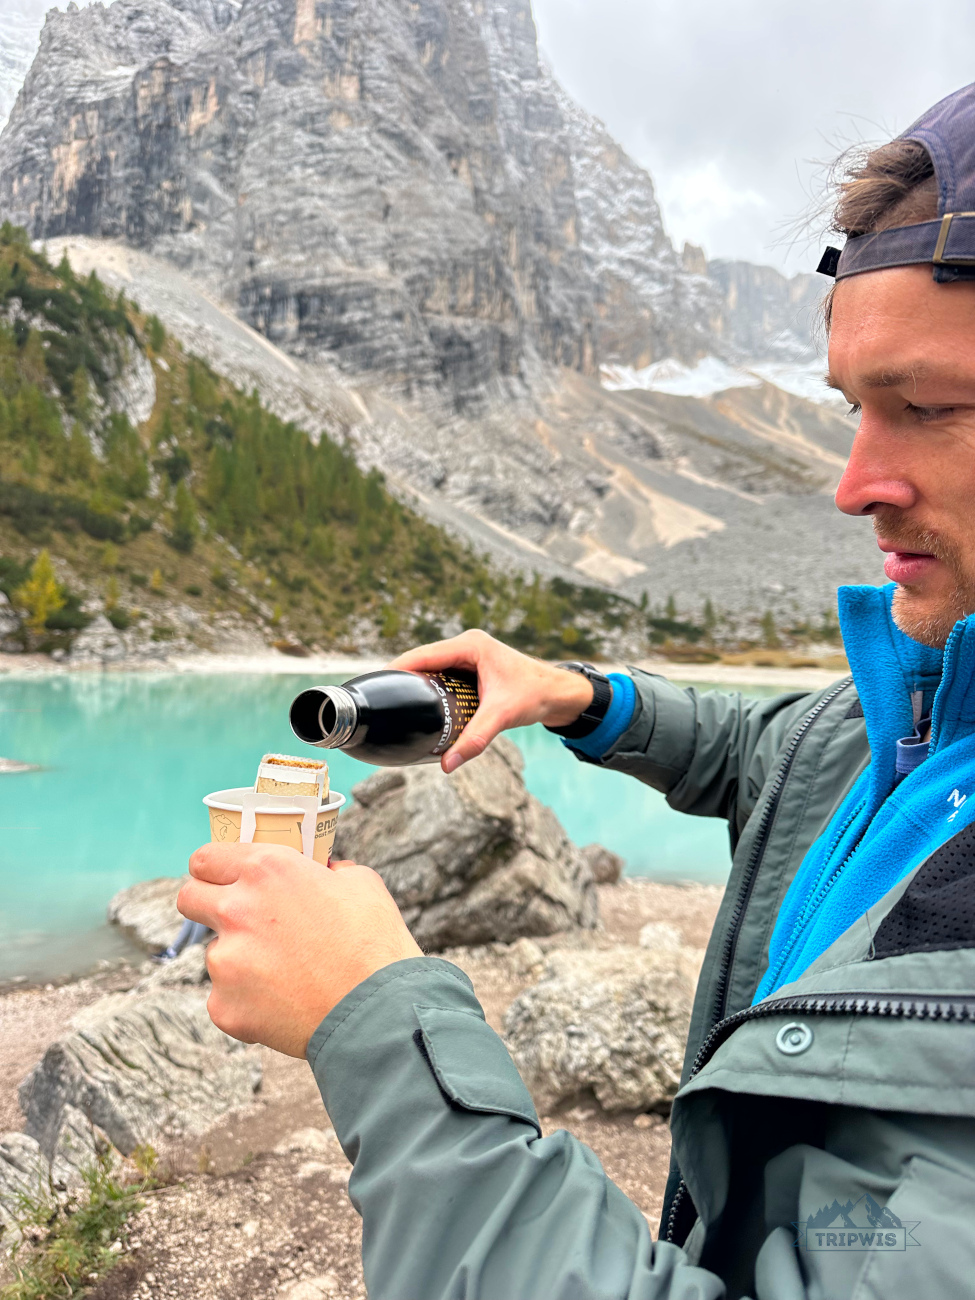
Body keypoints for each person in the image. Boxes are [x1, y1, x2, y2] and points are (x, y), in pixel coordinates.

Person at [177, 83, 975, 1299]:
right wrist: (572, 694)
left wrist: (378, 1024)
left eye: (925, 408)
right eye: (852, 408)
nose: (854, 482)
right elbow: (789, 753)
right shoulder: (929, 701)